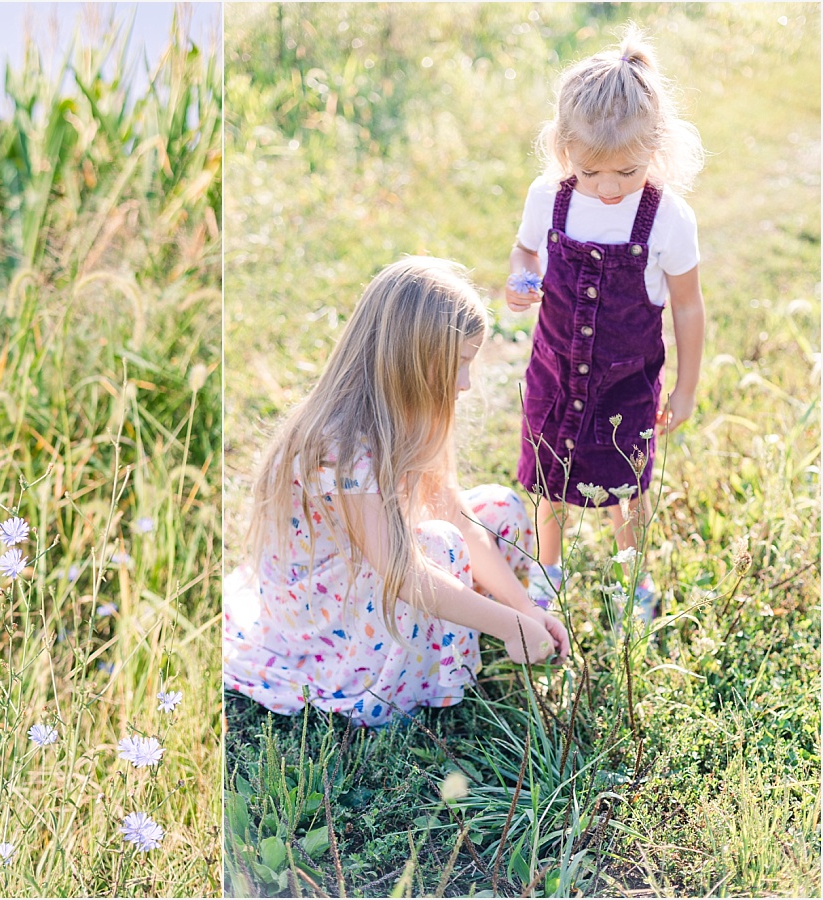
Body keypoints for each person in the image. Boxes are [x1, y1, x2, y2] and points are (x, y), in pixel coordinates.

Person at [224, 257, 570, 727]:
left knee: (498, 509)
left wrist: (524, 609)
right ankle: (421, 690)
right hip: (321, 611)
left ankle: (453, 629)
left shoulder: (416, 408)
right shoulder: (337, 445)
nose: (465, 383)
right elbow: (401, 571)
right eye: (458, 365)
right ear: (411, 359)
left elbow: (453, 508)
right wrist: (508, 625)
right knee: (436, 548)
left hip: (371, 559)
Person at [505, 26, 706, 621]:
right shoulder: (550, 197)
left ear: (656, 150)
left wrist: (687, 387)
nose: (609, 187)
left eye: (627, 171)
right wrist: (520, 280)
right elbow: (523, 253)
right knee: (547, 479)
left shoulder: (668, 218)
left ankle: (633, 581)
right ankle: (549, 570)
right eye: (592, 173)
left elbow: (689, 305)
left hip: (626, 383)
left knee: (628, 487)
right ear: (565, 149)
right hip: (554, 373)